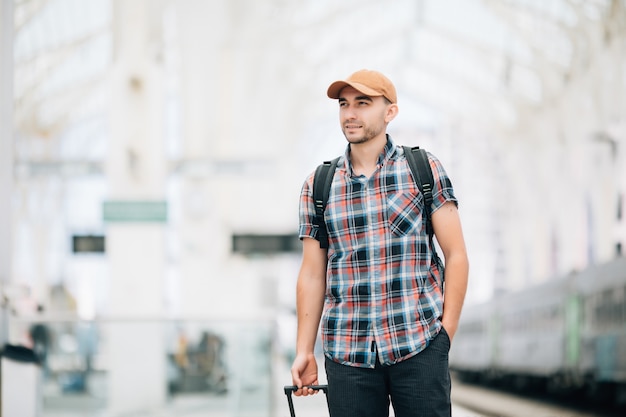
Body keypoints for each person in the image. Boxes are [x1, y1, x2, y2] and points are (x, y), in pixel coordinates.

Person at [291, 69, 469, 417]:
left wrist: (444, 335)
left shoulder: (423, 169)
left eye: (363, 103)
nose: (350, 114)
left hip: (418, 345)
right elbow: (312, 274)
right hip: (347, 354)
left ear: (390, 112)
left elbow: (456, 255)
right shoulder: (319, 184)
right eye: (344, 105)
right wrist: (304, 349)